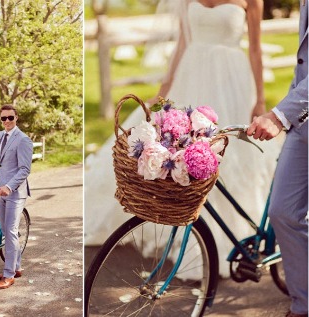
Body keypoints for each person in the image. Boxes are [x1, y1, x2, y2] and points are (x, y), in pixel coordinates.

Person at [85, 0, 281, 278]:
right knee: (176, 147)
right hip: (192, 72)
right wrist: (163, 90)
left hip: (231, 80)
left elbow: (255, 49)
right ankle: (178, 212)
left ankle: (229, 235)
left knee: (226, 153)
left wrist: (260, 99)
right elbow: (182, 43)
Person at [247, 2, 308, 316]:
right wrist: (289, 111)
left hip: (295, 116)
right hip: (304, 122)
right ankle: (304, 305)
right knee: (283, 212)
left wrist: (280, 115)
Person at [0, 104, 33, 290]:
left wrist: (9, 186)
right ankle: (15, 266)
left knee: (9, 231)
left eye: (10, 117)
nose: (7, 121)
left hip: (15, 192)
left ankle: (8, 275)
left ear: (16, 118)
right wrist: (0, 186)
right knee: (9, 231)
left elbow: (25, 169)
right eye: (4, 118)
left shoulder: (23, 139)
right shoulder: (1, 136)